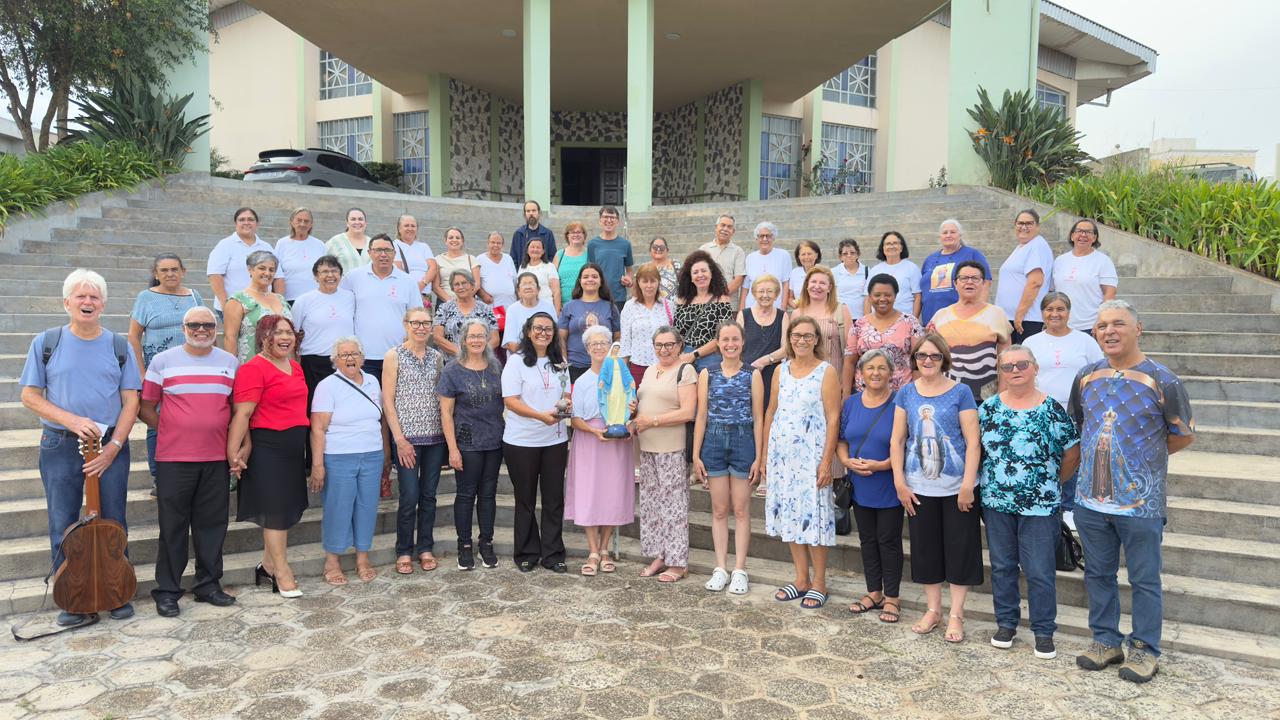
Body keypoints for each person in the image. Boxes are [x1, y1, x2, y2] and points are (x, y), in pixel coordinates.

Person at [1069, 299, 1195, 683]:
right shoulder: (1086, 376)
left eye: (1118, 323)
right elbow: (1080, 425)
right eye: (1102, 325)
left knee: (1144, 579)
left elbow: (1183, 435)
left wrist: (1142, 462)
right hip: (1091, 499)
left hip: (1141, 503)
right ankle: (1105, 640)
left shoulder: (1164, 380)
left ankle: (1144, 649)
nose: (1109, 331)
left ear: (1138, 329)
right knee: (1098, 574)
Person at [20, 269, 142, 626]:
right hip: (60, 443)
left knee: (114, 518)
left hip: (109, 446)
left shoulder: (118, 345)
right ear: (67, 302)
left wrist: (113, 447)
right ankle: (73, 598)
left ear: (103, 304)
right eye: (81, 296)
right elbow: (30, 395)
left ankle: (115, 592)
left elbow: (131, 401)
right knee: (63, 522)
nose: (87, 302)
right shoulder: (47, 342)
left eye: (94, 297)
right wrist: (71, 420)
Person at [980, 345, 1081, 660]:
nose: (1015, 371)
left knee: (1039, 571)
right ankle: (1006, 624)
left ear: (1035, 368)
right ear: (1001, 372)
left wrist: (1051, 483)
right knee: (1002, 567)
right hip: (997, 502)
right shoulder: (988, 409)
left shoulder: (1051, 409)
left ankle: (1043, 631)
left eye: (1022, 364)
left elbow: (1072, 453)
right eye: (1007, 366)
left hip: (1040, 505)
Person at [140, 307, 238, 617]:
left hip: (215, 458)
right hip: (174, 459)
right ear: (183, 328)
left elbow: (236, 409)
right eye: (194, 325)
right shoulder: (162, 361)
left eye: (207, 324)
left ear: (216, 328)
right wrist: (172, 429)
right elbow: (146, 407)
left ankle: (208, 585)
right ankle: (168, 591)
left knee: (213, 526)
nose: (201, 330)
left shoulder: (230, 363)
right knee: (173, 527)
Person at [889, 333, 981, 642]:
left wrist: (967, 485)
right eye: (921, 355)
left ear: (944, 359)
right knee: (926, 550)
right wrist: (900, 482)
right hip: (918, 487)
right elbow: (898, 440)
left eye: (934, 355)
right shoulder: (906, 393)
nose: (927, 360)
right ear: (914, 359)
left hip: (956, 488)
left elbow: (972, 442)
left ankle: (956, 613)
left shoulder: (961, 392)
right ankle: (933, 610)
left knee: (959, 550)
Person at [759, 316, 840, 609]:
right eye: (796, 335)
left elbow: (833, 418)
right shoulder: (781, 370)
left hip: (811, 458)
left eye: (807, 336)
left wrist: (827, 461)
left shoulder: (826, 371)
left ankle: (819, 583)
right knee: (791, 517)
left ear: (816, 339)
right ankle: (801, 579)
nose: (801, 340)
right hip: (783, 458)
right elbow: (771, 412)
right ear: (789, 339)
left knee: (814, 517)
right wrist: (765, 455)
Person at [228, 315, 309, 599]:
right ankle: (282, 573)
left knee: (283, 509)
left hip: (293, 449)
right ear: (264, 337)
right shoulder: (253, 368)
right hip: (268, 450)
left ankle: (267, 565)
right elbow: (243, 414)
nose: (285, 337)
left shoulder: (295, 367)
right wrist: (233, 453)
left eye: (289, 332)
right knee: (275, 512)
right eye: (278, 332)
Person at [309, 337, 389, 586]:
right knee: (338, 507)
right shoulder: (327, 386)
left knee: (367, 507)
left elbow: (381, 419)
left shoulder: (373, 381)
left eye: (355, 353)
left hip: (372, 454)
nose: (350, 358)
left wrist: (386, 453)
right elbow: (318, 428)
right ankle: (332, 561)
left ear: (363, 358)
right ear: (335, 360)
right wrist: (317, 465)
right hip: (339, 456)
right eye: (344, 355)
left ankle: (362, 558)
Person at [693, 321, 761, 595]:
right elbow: (701, 415)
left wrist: (759, 456)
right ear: (718, 343)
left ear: (742, 342)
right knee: (719, 510)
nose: (730, 344)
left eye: (735, 339)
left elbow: (758, 418)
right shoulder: (707, 373)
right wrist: (696, 454)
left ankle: (740, 569)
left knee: (741, 510)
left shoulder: (752, 374)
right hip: (714, 441)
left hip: (744, 440)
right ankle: (720, 567)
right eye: (725, 339)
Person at [1023, 292, 1103, 522]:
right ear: (1042, 313)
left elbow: (1098, 374)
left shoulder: (1085, 341)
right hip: (1041, 410)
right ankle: (1044, 500)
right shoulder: (1031, 342)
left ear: (1069, 312)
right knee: (1044, 456)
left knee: (1072, 457)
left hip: (1076, 411)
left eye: (1060, 309)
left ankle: (1069, 506)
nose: (1055, 314)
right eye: (1049, 309)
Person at [128, 253, 204, 493]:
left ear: (183, 271)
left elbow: (205, 330)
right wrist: (141, 372)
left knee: (192, 419)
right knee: (156, 422)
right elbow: (133, 337)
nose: (170, 274)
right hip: (158, 373)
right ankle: (158, 476)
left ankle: (190, 468)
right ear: (156, 274)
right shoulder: (146, 298)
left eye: (174, 269)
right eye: (164, 270)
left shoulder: (194, 296)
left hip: (192, 372)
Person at [502, 312, 571, 573]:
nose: (543, 333)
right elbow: (511, 400)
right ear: (528, 331)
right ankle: (526, 552)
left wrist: (565, 407)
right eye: (538, 328)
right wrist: (540, 416)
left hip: (555, 440)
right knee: (525, 500)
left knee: (554, 499)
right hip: (522, 441)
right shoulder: (516, 362)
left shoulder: (560, 362)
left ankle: (553, 554)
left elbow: (566, 393)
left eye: (548, 329)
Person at [837, 349, 903, 623]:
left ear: (891, 373)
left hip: (888, 483)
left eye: (881, 368)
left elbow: (907, 444)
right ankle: (874, 592)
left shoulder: (900, 402)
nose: (875, 373)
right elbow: (842, 439)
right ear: (861, 373)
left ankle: (892, 598)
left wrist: (883, 465)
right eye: (870, 368)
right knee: (867, 540)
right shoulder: (851, 403)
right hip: (860, 484)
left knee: (888, 541)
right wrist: (846, 462)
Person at [566, 325, 636, 576]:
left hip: (616, 441)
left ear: (611, 347)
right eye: (593, 344)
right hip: (590, 441)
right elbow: (575, 419)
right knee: (589, 493)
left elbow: (631, 407)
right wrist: (594, 431)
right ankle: (593, 550)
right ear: (587, 349)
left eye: (603, 343)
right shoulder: (582, 381)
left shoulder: (622, 375)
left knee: (611, 493)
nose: (599, 348)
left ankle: (605, 548)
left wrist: (632, 410)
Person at [383, 307, 447, 574]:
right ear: (406, 324)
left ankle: (425, 547)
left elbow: (441, 397)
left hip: (434, 438)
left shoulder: (437, 356)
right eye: (416, 323)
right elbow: (388, 401)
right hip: (406, 439)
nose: (421, 327)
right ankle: (403, 550)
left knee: (429, 495)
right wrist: (399, 439)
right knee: (409, 496)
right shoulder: (394, 355)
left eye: (426, 323)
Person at [438, 319, 505, 571]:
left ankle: (486, 543)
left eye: (481, 336)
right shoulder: (452, 370)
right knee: (466, 495)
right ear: (463, 340)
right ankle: (464, 546)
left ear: (487, 339)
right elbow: (446, 413)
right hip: (467, 442)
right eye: (471, 336)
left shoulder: (496, 367)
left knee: (488, 495)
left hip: (494, 441)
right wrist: (452, 449)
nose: (476, 340)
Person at [632, 326, 698, 583]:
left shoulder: (685, 370)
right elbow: (645, 403)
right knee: (652, 507)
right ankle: (660, 555)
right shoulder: (650, 370)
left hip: (671, 448)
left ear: (680, 345)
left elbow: (688, 412)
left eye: (669, 344)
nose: (664, 349)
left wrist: (653, 420)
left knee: (674, 508)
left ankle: (678, 562)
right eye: (659, 345)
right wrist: (635, 409)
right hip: (647, 447)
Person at [929, 260, 1012, 404]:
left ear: (983, 283)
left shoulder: (997, 314)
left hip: (988, 397)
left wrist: (1002, 393)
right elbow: (930, 356)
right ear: (955, 283)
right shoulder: (940, 316)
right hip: (947, 395)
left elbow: (1006, 357)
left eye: (975, 278)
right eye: (964, 278)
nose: (969, 282)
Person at [340, 234, 419, 382]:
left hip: (399, 354)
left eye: (387, 250)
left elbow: (416, 316)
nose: (383, 254)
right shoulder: (353, 278)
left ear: (394, 253)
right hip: (364, 356)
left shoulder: (408, 281)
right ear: (369, 253)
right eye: (378, 250)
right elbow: (344, 312)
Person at [843, 274, 925, 395]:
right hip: (864, 394)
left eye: (887, 295)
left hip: (900, 395)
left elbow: (918, 361)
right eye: (877, 295)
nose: (882, 299)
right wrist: (845, 394)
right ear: (869, 297)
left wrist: (917, 394)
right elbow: (850, 362)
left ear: (895, 296)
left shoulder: (910, 323)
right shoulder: (859, 325)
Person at [290, 255, 356, 405]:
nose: (330, 275)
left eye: (334, 271)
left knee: (343, 405)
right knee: (316, 406)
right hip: (313, 362)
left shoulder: (350, 298)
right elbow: (293, 333)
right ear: (315, 276)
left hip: (344, 361)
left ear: (341, 275)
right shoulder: (303, 301)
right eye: (325, 271)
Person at [794, 266, 853, 406]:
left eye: (822, 283)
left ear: (829, 287)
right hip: (804, 383)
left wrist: (846, 388)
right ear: (807, 285)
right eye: (813, 282)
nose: (817, 286)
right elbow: (791, 351)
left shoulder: (841, 310)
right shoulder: (797, 313)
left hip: (834, 381)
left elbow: (850, 353)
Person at [223, 250, 291, 365]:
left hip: (282, 365)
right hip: (252, 365)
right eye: (262, 268)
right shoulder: (238, 300)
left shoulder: (281, 299)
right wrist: (232, 368)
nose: (267, 273)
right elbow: (230, 337)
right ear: (250, 269)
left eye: (271, 270)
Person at [919, 219, 991, 327]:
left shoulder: (973, 254)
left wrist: (979, 314)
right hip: (931, 322)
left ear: (960, 235)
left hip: (962, 320)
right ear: (940, 236)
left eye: (952, 232)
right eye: (945, 232)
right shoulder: (930, 259)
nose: (948, 235)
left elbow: (986, 283)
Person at [998, 209, 1055, 343]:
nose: (1024, 227)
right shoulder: (1023, 246)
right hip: (1013, 318)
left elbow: (1035, 282)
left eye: (1029, 223)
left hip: (1027, 320)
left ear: (1037, 226)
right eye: (1020, 223)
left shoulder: (1037, 246)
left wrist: (1020, 314)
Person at [1052, 218, 1118, 334]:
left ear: (1094, 238)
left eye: (1088, 232)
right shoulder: (1059, 261)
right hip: (1062, 325)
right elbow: (1053, 292)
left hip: (1090, 326)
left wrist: (1101, 321)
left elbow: (1110, 293)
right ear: (1072, 236)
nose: (1083, 235)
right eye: (1079, 231)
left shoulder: (1103, 261)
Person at [674, 250, 734, 373]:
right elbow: (677, 332)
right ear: (691, 277)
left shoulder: (721, 299)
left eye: (703, 270)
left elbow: (724, 336)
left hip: (711, 357)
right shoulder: (683, 300)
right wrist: (681, 354)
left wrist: (695, 354)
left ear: (711, 273)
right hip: (684, 356)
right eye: (695, 272)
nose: (700, 275)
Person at [207, 207, 272, 318]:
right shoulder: (225, 245)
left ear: (257, 223)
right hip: (234, 307)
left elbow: (278, 277)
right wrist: (226, 306)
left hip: (262, 307)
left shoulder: (266, 247)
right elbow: (214, 275)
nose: (246, 222)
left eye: (250, 219)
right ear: (236, 223)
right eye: (242, 219)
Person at [559, 263, 620, 382]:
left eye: (594, 276)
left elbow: (618, 337)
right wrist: (564, 363)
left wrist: (611, 359)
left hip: (604, 367)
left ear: (601, 281)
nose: (590, 279)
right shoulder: (569, 307)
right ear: (580, 281)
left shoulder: (610, 307)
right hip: (574, 367)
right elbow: (561, 338)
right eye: (586, 277)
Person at [619, 263, 675, 384]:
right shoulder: (629, 307)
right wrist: (621, 374)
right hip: (639, 367)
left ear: (658, 282)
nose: (649, 285)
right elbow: (625, 343)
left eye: (653, 281)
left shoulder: (668, 306)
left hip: (665, 365)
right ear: (638, 282)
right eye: (645, 281)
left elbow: (674, 338)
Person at [432, 269, 500, 357]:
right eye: (456, 284)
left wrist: (477, 353)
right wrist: (462, 354)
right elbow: (437, 338)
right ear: (452, 288)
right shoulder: (444, 308)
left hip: (480, 359)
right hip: (452, 360)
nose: (461, 287)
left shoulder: (485, 309)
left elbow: (495, 339)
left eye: (464, 283)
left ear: (472, 285)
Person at [273, 207, 327, 304]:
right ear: (291, 222)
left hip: (314, 299)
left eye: (306, 221)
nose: (302, 224)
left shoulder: (319, 245)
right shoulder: (282, 244)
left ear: (311, 224)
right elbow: (276, 272)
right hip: (288, 299)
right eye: (299, 220)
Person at [588, 205, 634, 311]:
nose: (609, 220)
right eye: (605, 217)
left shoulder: (625, 244)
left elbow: (629, 270)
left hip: (618, 296)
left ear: (617, 221)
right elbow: (590, 270)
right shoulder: (592, 244)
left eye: (612, 217)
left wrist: (629, 279)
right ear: (600, 220)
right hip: (598, 295)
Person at [865, 231, 921, 318]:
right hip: (878, 320)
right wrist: (867, 321)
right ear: (883, 248)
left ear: (901, 248)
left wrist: (914, 320)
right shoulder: (875, 270)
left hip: (904, 319)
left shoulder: (912, 268)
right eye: (888, 244)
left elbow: (917, 296)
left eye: (895, 243)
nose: (891, 246)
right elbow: (868, 298)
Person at [393, 214, 440, 313]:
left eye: (413, 226)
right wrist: (414, 287)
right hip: (406, 293)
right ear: (399, 229)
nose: (410, 228)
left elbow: (433, 267)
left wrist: (423, 283)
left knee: (424, 321)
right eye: (406, 225)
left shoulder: (424, 247)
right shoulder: (394, 245)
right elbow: (398, 268)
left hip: (424, 295)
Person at [502, 272, 557, 352]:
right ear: (518, 291)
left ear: (538, 289)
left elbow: (555, 336)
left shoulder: (548, 307)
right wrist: (532, 354)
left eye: (531, 283)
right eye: (524, 284)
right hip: (520, 354)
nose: (528, 287)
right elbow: (511, 343)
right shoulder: (512, 309)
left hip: (546, 353)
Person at [699, 214, 746, 309]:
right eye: (722, 225)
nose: (725, 229)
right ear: (716, 227)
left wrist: (718, 297)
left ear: (733, 231)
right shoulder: (703, 249)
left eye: (729, 227)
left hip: (729, 306)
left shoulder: (738, 251)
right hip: (705, 305)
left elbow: (739, 279)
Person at [741, 221, 791, 309]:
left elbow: (786, 284)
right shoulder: (750, 258)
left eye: (768, 236)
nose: (764, 239)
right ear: (756, 238)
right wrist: (741, 309)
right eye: (761, 236)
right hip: (752, 308)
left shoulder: (783, 255)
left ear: (773, 238)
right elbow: (745, 287)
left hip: (775, 308)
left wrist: (783, 308)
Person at [475, 231, 518, 316]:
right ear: (488, 243)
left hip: (510, 305)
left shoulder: (508, 258)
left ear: (502, 245)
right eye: (493, 242)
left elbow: (514, 280)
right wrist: (483, 295)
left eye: (498, 243)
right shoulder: (480, 259)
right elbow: (475, 282)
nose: (495, 245)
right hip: (491, 306)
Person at [435, 227, 482, 305]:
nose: (454, 240)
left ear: (462, 241)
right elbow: (436, 287)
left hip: (467, 303)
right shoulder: (437, 260)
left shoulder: (471, 259)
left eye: (457, 238)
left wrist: (463, 299)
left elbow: (477, 284)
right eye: (451, 237)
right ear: (445, 241)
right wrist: (451, 302)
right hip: (444, 303)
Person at [518, 236, 561, 313]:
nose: (535, 249)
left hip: (546, 309)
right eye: (532, 247)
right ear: (527, 250)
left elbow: (556, 291)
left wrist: (557, 313)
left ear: (543, 251)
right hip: (526, 309)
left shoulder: (549, 266)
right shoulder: (522, 267)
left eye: (538, 247)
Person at [511, 199, 557, 268]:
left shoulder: (548, 234)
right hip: (523, 272)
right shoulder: (518, 234)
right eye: (528, 211)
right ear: (524, 214)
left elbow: (552, 256)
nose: (531, 213)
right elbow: (513, 258)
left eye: (534, 210)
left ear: (539, 213)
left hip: (543, 272)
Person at [553, 221, 590, 307]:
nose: (576, 235)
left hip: (586, 304)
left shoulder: (589, 254)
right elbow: (554, 281)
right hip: (563, 305)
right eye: (573, 232)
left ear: (584, 235)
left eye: (579, 232)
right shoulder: (559, 255)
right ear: (567, 235)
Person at [325, 207, 372, 273]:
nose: (357, 222)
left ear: (365, 223)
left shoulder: (373, 243)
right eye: (353, 219)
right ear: (347, 223)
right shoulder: (335, 242)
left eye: (360, 219)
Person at [831, 239, 869, 317]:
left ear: (858, 254)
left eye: (852, 252)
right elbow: (831, 296)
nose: (849, 255)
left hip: (860, 316)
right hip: (840, 317)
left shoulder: (867, 271)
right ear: (840, 257)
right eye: (845, 253)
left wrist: (866, 319)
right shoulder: (834, 272)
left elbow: (868, 297)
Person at [785, 240, 821, 310]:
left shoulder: (823, 272)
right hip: (800, 312)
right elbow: (790, 297)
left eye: (809, 254)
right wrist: (797, 307)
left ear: (816, 255)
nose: (806, 257)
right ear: (798, 257)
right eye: (803, 254)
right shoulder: (794, 273)